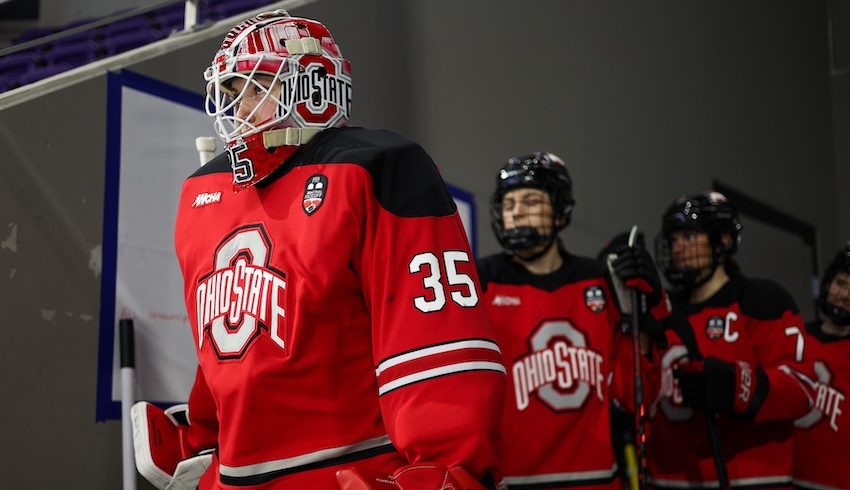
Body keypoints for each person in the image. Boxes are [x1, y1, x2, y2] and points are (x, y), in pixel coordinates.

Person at [134, 10, 506, 490]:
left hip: (349, 474)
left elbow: (434, 346)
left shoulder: (377, 167)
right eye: (231, 92)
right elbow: (232, 350)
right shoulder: (203, 193)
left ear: (313, 87)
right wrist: (205, 434)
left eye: (255, 86)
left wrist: (451, 466)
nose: (239, 108)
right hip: (236, 477)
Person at [476, 152, 669, 489]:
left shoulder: (601, 279)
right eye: (508, 204)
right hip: (510, 480)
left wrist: (648, 310)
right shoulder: (481, 280)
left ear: (560, 208)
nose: (517, 212)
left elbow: (637, 395)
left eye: (531, 200)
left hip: (596, 480)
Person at [626, 191, 816, 489]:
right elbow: (635, 394)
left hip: (750, 479)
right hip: (667, 480)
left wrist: (735, 387)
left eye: (689, 237)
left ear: (723, 240)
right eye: (674, 240)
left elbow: (803, 388)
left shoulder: (762, 299)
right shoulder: (661, 310)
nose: (678, 249)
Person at [793, 242, 850, 490]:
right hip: (789, 477)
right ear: (828, 284)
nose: (845, 295)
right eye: (841, 283)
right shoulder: (793, 336)